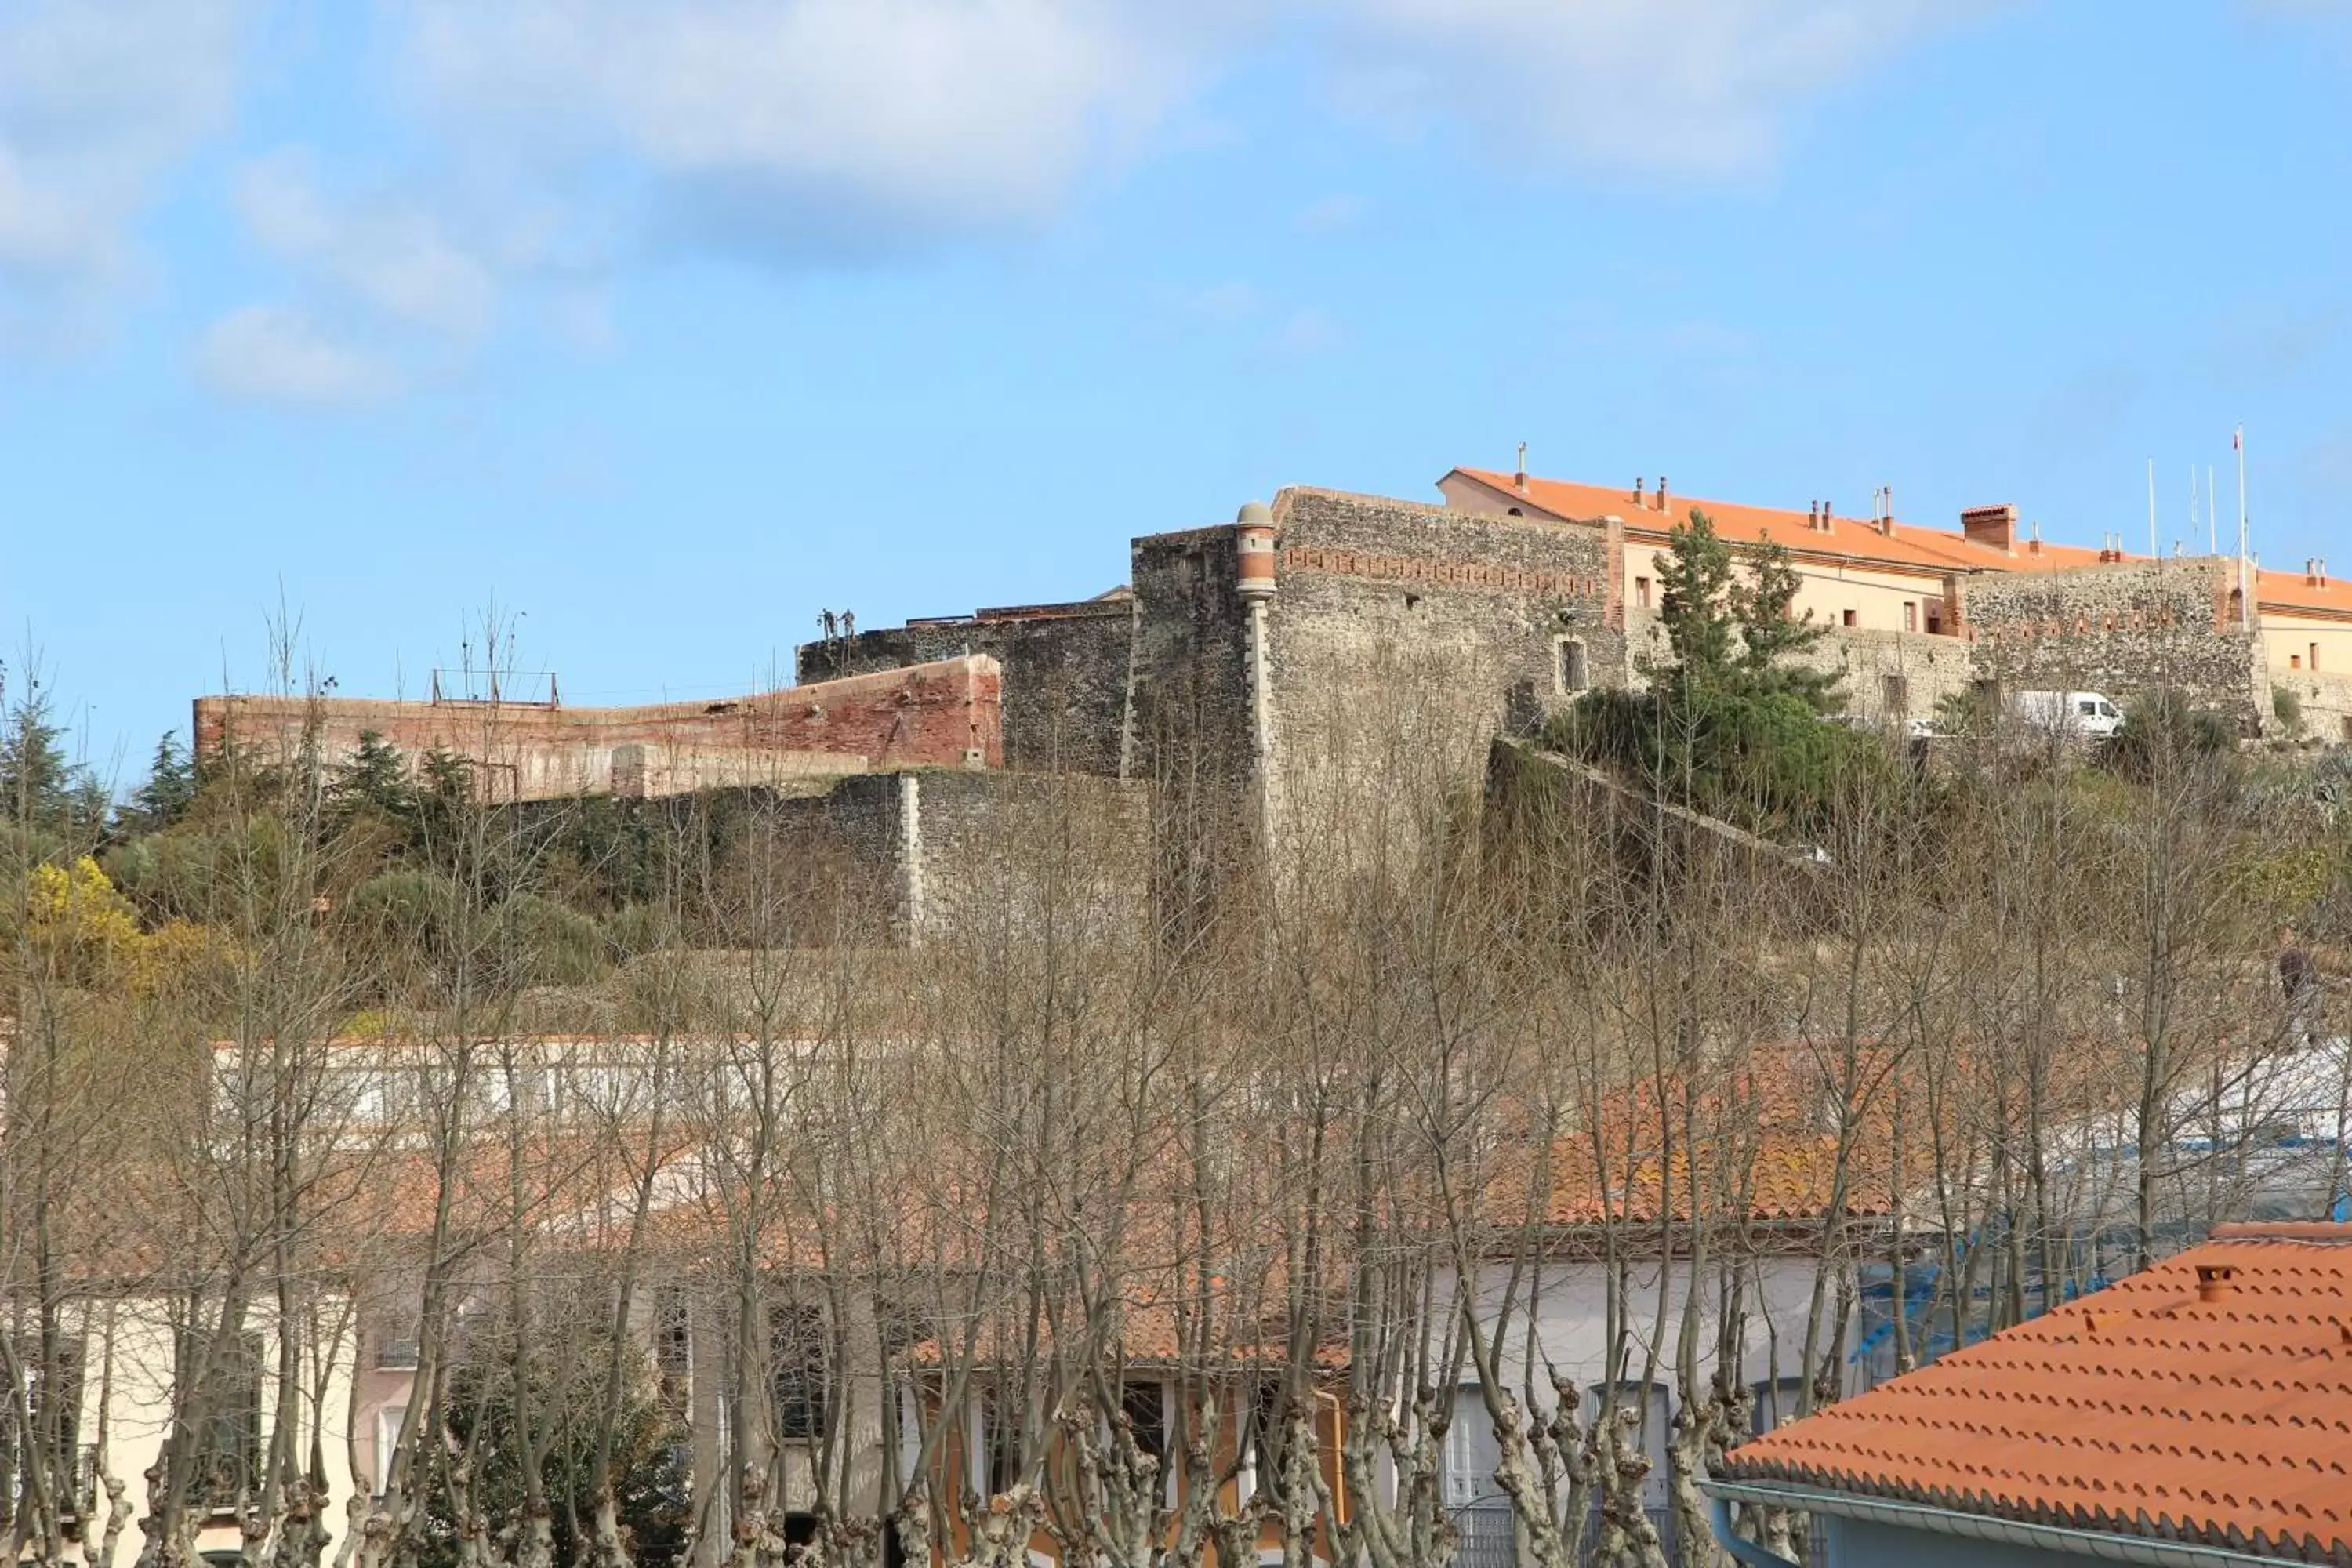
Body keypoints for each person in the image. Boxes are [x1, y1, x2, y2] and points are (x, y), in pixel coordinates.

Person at [2279, 924, 2323, 1048]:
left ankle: (2292, 1044)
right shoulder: (2302, 952)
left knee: (2295, 1014)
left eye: (2287, 935)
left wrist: (2289, 995)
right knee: (2312, 1014)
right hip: (2315, 985)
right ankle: (2315, 1041)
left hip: (2302, 986)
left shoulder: (2286, 956)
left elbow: (2289, 977)